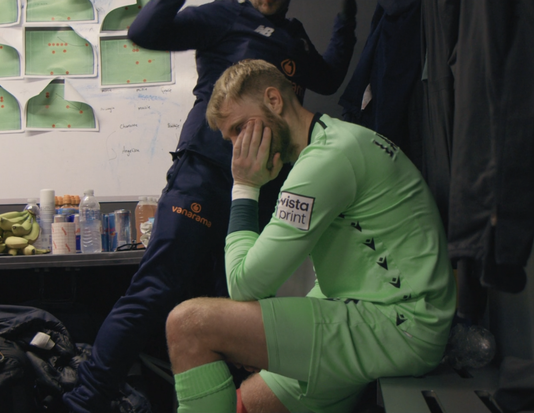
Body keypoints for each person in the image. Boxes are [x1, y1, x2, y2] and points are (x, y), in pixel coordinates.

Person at [63, 1, 357, 411]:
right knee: (156, 289)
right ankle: (84, 401)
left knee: (243, 308)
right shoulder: (222, 16)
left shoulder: (294, 36)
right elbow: (146, 32)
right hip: (203, 176)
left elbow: (328, 78)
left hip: (260, 191)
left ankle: (235, 403)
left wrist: (348, 16)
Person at [165, 59, 456, 413]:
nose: (238, 149)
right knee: (250, 403)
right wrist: (260, 335)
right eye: (231, 139)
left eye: (241, 128)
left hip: (400, 328)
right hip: (374, 312)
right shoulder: (332, 141)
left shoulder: (326, 160)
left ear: (274, 100)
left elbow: (243, 284)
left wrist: (244, 186)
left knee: (188, 325)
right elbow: (349, 273)